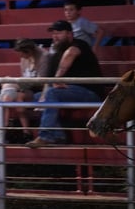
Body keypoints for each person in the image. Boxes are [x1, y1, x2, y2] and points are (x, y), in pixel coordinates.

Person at [26, 20, 104, 148]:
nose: (55, 36)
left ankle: (46, 136)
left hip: (89, 91)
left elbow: (70, 54)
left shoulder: (79, 44)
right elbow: (48, 79)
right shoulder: (56, 53)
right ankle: (58, 135)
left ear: (69, 34)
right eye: (53, 33)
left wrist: (57, 79)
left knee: (51, 94)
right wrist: (47, 90)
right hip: (70, 90)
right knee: (37, 97)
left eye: (59, 33)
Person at [0, 38, 50, 144]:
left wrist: (19, 83)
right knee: (9, 90)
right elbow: (24, 76)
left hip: (39, 89)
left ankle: (6, 130)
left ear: (29, 51)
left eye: (22, 54)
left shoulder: (44, 57)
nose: (21, 57)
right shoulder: (25, 59)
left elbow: (43, 80)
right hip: (27, 87)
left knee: (14, 93)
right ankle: (17, 130)